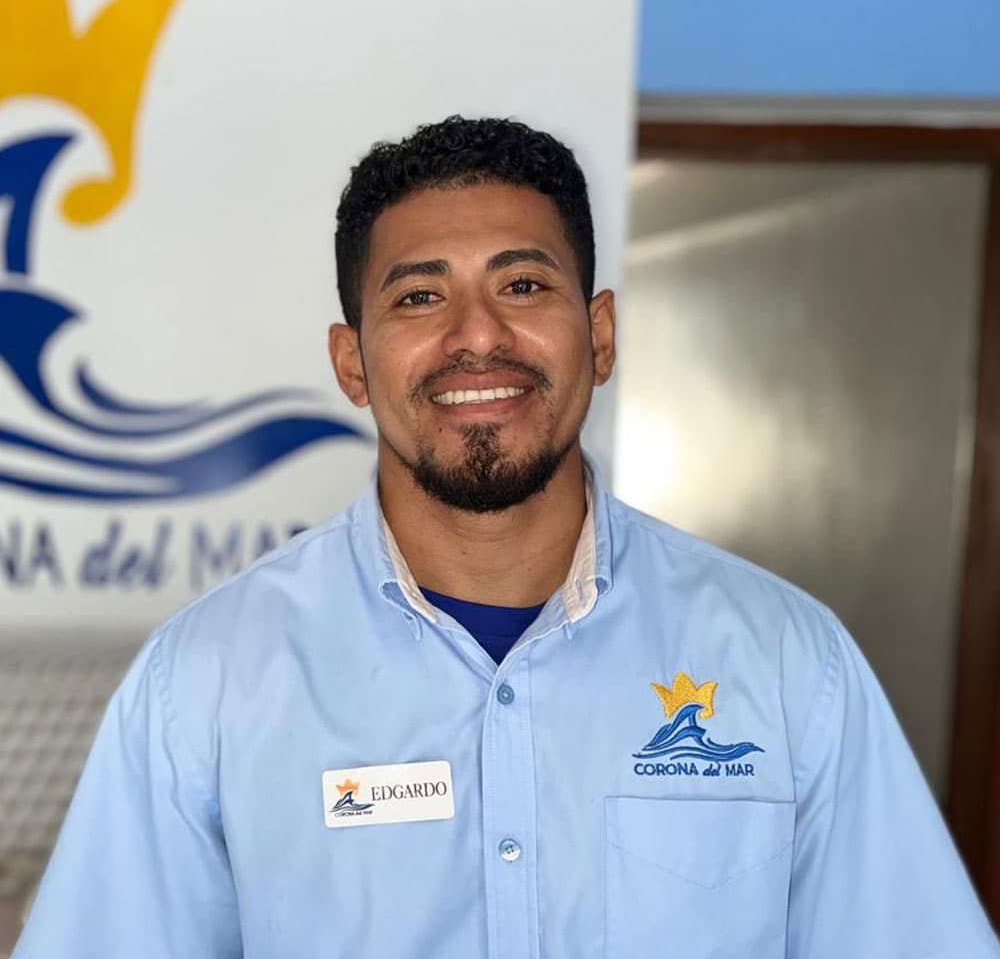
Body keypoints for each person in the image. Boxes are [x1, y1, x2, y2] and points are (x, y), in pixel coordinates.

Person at [13, 115, 1000, 959]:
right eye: (418, 295)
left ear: (600, 334)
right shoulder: (209, 683)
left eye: (523, 285)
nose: (476, 336)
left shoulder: (787, 662)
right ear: (351, 362)